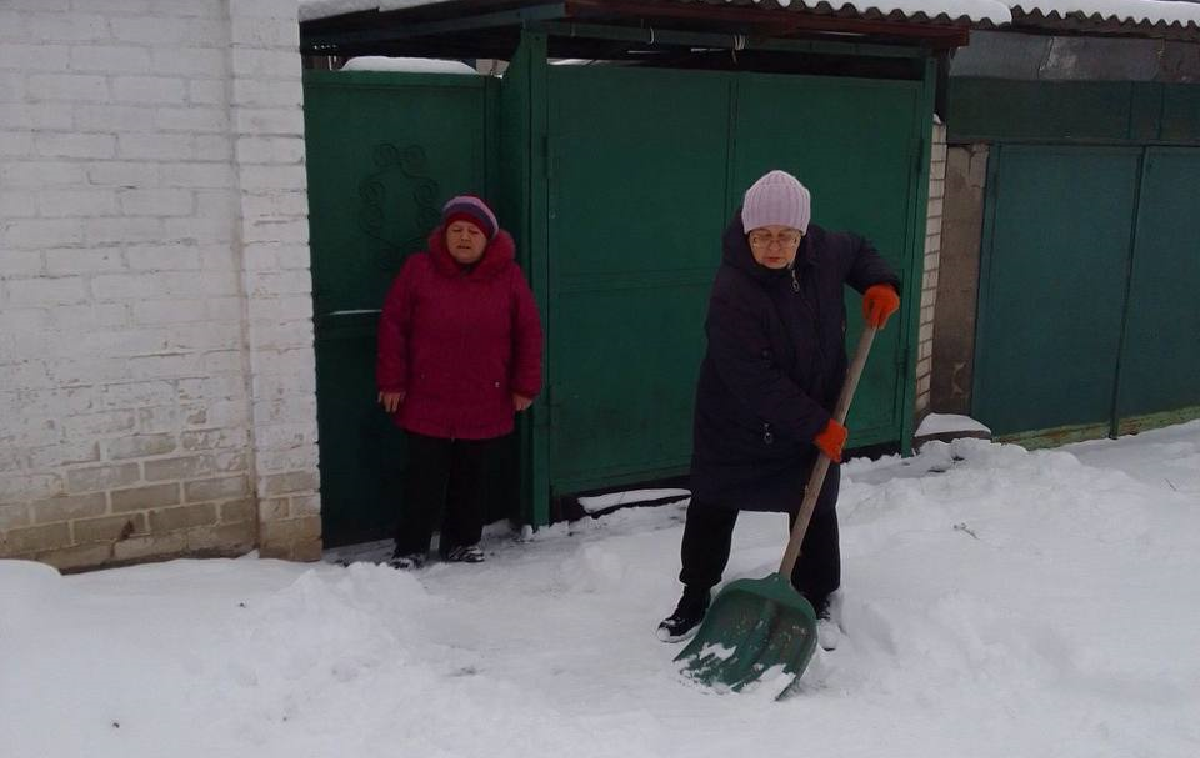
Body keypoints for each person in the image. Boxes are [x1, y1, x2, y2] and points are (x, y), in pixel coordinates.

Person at [657, 170, 901, 649]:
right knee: (713, 502)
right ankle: (696, 592)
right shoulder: (732, 291)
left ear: (802, 234)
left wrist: (880, 282)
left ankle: (817, 594)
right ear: (747, 234)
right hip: (736, 419)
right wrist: (817, 426)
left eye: (785, 236)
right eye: (762, 236)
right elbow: (751, 377)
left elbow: (859, 250)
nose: (773, 246)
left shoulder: (825, 251)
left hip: (813, 405)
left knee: (815, 502)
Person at [376, 195, 543, 568]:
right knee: (423, 477)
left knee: (471, 476)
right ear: (444, 234)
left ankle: (462, 542)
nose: (464, 238)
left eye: (472, 232)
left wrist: (524, 386)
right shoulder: (418, 270)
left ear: (487, 239)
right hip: (425, 395)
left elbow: (528, 333)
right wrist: (392, 381)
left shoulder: (509, 277)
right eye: (456, 230)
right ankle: (411, 547)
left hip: (484, 396)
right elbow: (393, 327)